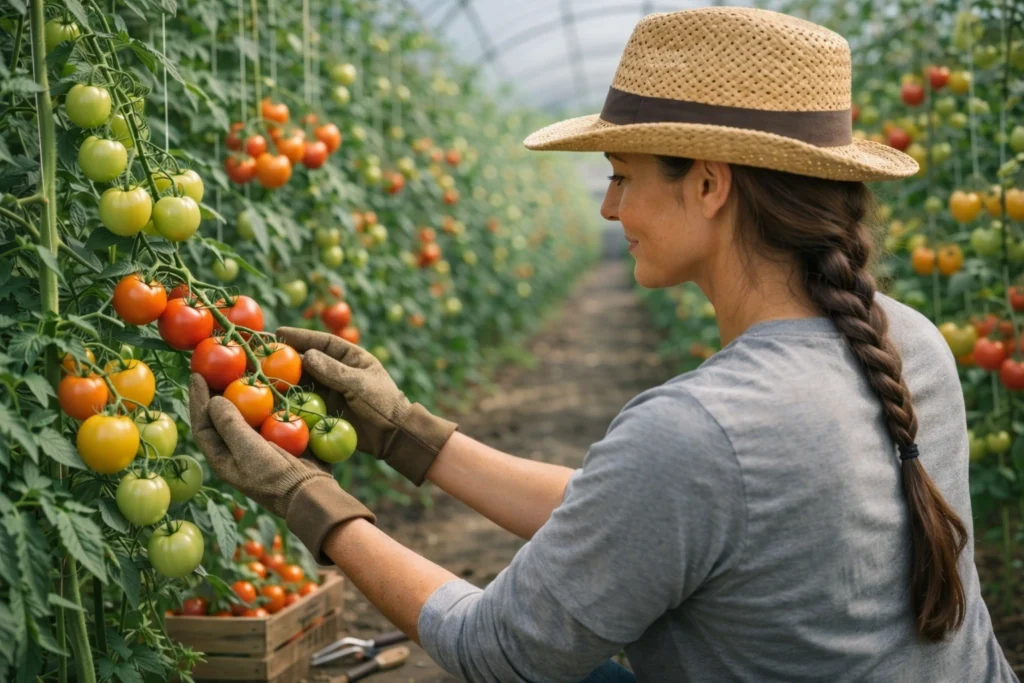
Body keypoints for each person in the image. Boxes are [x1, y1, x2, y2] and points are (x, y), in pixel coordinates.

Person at [190, 7, 1019, 683]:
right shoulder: (906, 339)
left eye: (621, 174)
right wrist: (409, 432)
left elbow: (498, 648)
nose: (607, 207)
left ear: (707, 184)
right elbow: (647, 516)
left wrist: (310, 501)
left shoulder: (700, 430)